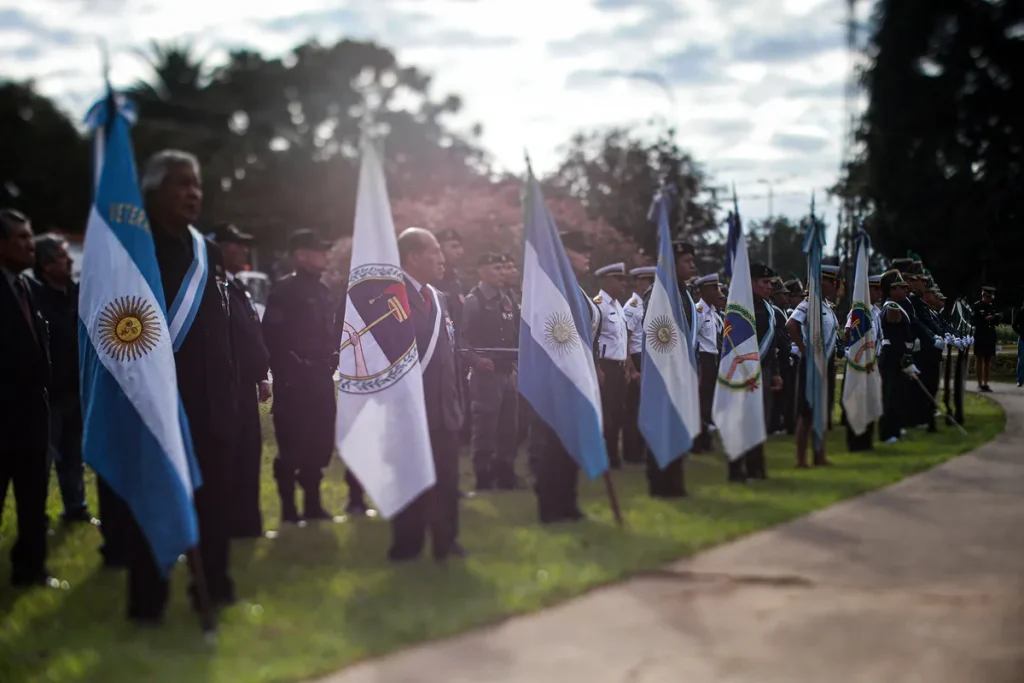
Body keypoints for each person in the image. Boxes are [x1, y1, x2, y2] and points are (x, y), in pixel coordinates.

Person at [130, 150, 238, 622]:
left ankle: (214, 584)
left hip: (210, 403)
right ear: (153, 191)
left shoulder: (206, 250)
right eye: (181, 183)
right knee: (154, 500)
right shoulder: (134, 247)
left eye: (196, 184)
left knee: (214, 502)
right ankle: (148, 600)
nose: (193, 193)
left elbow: (219, 326)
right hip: (158, 400)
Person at [389, 228, 465, 560]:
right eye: (435, 251)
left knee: (447, 480)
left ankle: (446, 541)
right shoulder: (390, 296)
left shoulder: (438, 297)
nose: (441, 258)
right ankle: (407, 547)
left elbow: (449, 353)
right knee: (410, 482)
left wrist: (455, 402)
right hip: (410, 410)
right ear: (413, 257)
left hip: (443, 409)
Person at [1, 209, 60, 589]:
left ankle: (31, 569)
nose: (30, 244)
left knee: (33, 496)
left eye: (30, 235)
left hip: (33, 414)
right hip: (3, 413)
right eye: (21, 237)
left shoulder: (28, 287)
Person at [262, 229, 338, 524]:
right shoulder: (285, 290)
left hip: (321, 380)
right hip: (294, 384)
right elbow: (272, 335)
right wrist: (290, 370)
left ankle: (313, 505)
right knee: (292, 446)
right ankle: (289, 510)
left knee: (319, 444)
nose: (325, 256)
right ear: (301, 255)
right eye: (319, 250)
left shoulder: (324, 291)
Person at [532, 230, 598, 523]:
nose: (587, 255)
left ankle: (568, 502)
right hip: (556, 376)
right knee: (554, 443)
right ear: (563, 253)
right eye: (580, 250)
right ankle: (550, 506)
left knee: (571, 442)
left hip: (577, 375)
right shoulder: (551, 289)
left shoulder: (575, 289)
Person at [28, 233, 95, 525]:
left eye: (67, 255)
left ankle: (76, 508)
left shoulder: (79, 294)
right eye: (60, 257)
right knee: (42, 458)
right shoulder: (32, 296)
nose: (68, 261)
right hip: (47, 395)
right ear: (44, 265)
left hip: (76, 389)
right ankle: (34, 516)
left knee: (73, 455)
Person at [211, 223, 272, 537]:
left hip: (246, 385)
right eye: (237, 244)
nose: (244, 250)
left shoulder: (237, 286)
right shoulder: (212, 286)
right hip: (226, 386)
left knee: (249, 454)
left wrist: (261, 375)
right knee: (231, 456)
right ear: (220, 248)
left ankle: (248, 524)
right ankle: (230, 524)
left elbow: (250, 334)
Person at [642, 240, 697, 497]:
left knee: (677, 427)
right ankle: (659, 483)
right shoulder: (658, 293)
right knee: (661, 428)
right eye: (686, 261)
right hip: (663, 372)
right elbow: (655, 335)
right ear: (672, 264)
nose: (692, 265)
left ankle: (675, 481)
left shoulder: (684, 293)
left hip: (681, 374)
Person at [462, 253, 520, 491]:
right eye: (496, 268)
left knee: (509, 426)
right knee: (485, 426)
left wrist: (515, 366)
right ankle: (483, 475)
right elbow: (461, 340)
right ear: (482, 272)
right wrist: (476, 360)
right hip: (486, 375)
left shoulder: (506, 299)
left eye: (502, 268)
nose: (501, 273)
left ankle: (505, 472)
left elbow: (514, 334)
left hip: (508, 372)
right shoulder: (473, 301)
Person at [728, 263, 786, 482]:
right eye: (765, 282)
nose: (769, 286)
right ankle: (737, 469)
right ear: (751, 283)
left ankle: (757, 467)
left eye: (770, 282)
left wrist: (776, 372)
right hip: (744, 370)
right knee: (742, 421)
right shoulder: (742, 307)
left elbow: (772, 344)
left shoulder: (767, 307)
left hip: (765, 369)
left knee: (759, 419)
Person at [785, 264, 841, 468]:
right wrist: (804, 348)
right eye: (831, 281)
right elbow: (791, 325)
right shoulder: (808, 304)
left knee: (822, 411)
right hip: (811, 363)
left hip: (826, 363)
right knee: (807, 412)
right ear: (821, 282)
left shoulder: (827, 306)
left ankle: (820, 456)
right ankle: (801, 459)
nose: (834, 286)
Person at [592, 262, 634, 469]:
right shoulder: (598, 305)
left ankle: (613, 456)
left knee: (618, 412)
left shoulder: (618, 306)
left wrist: (626, 367)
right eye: (620, 280)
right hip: (605, 366)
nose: (624, 284)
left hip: (618, 367)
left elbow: (622, 340)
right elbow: (591, 339)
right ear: (607, 281)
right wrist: (597, 367)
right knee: (606, 413)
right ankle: (603, 455)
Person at [843, 273, 884, 451]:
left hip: (872, 362)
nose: (879, 293)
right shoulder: (858, 310)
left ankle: (868, 439)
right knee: (858, 402)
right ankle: (856, 441)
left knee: (871, 399)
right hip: (859, 362)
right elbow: (848, 333)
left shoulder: (877, 311)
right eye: (876, 290)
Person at [877, 270, 915, 443]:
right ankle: (887, 432)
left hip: (898, 357)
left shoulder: (897, 306)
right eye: (901, 287)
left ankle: (895, 429)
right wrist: (905, 355)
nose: (905, 290)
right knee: (890, 395)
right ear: (891, 290)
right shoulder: (891, 308)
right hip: (892, 357)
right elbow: (894, 338)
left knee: (898, 395)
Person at [622, 266, 655, 464]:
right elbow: (624, 340)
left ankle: (641, 450)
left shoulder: (647, 305)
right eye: (650, 283)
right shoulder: (632, 307)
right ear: (641, 283)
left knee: (645, 408)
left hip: (646, 358)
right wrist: (632, 370)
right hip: (635, 359)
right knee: (633, 408)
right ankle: (632, 453)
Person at [692, 273, 723, 453]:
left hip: (712, 359)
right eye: (715, 288)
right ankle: (698, 441)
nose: (718, 292)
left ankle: (706, 440)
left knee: (709, 401)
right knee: (700, 401)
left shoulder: (713, 313)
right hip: (702, 359)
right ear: (705, 291)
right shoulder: (698, 311)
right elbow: (693, 340)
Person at [972, 286, 1001, 392]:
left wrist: (996, 318)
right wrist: (984, 320)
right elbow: (973, 321)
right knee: (979, 358)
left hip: (990, 335)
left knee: (988, 360)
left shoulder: (992, 307)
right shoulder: (976, 306)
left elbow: (996, 322)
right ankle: (979, 384)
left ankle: (985, 383)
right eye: (988, 297)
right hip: (980, 335)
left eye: (990, 297)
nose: (989, 299)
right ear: (983, 295)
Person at [1012, 302, 1024, 388]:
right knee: (1021, 360)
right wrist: (1021, 332)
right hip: (1023, 338)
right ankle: (1020, 380)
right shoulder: (1021, 312)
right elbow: (1014, 325)